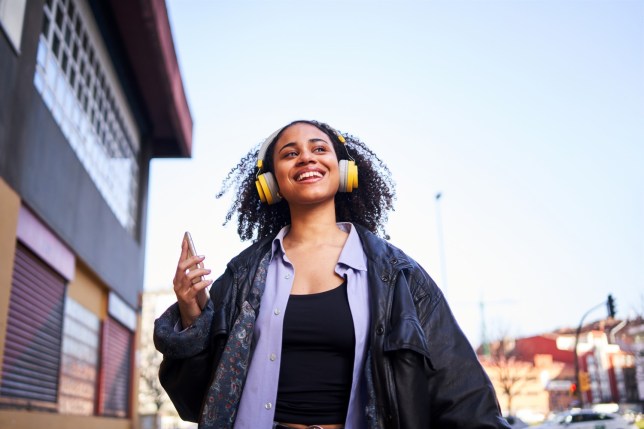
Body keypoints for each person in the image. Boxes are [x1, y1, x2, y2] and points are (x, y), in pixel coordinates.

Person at [154, 120, 510, 429]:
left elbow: (461, 392)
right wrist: (191, 314)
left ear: (342, 170)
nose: (306, 157)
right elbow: (194, 401)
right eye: (289, 153)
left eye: (318, 148)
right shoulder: (241, 277)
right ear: (271, 182)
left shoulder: (398, 275)